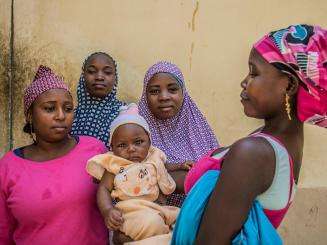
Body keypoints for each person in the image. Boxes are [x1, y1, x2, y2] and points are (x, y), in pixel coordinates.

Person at [172, 24, 327, 244]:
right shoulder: (278, 141)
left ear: (290, 85)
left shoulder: (253, 154)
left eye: (254, 72)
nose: (244, 82)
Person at [0, 66, 108, 244]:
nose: (60, 115)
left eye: (68, 108)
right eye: (50, 108)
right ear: (30, 116)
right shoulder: (8, 167)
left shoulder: (95, 150)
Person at [86, 104, 188, 243]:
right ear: (112, 147)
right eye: (122, 145)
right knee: (152, 223)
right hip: (131, 211)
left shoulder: (153, 158)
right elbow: (103, 189)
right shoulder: (115, 164)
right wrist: (108, 210)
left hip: (159, 207)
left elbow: (164, 167)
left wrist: (180, 165)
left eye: (138, 142)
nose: (131, 149)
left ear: (149, 142)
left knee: (185, 219)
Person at [138, 61, 219, 207]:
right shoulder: (135, 132)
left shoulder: (199, 128)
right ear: (145, 96)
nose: (164, 97)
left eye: (172, 89)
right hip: (151, 222)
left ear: (183, 93)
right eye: (155, 91)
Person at [71, 52, 125, 147]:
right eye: (92, 71)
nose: (99, 77)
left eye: (107, 72)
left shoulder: (124, 114)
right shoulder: (70, 116)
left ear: (115, 79)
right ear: (83, 77)